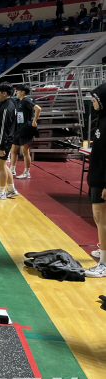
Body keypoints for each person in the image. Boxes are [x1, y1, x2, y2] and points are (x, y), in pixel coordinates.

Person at [85, 84, 106, 277]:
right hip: (97, 176)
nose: (92, 103)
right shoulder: (101, 119)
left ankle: (104, 264)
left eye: (94, 100)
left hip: (103, 179)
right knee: (99, 219)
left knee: (102, 220)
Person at [0, 84, 19, 200]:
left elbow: (4, 129)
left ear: (4, 93)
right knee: (4, 166)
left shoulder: (7, 108)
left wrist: (1, 146)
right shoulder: (10, 103)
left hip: (2, 141)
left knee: (0, 167)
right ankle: (11, 190)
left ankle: (1, 192)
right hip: (4, 140)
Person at [11, 84, 41, 179]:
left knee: (25, 151)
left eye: (18, 91)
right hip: (18, 129)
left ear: (23, 92)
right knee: (13, 150)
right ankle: (12, 169)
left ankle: (27, 172)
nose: (16, 93)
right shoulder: (19, 101)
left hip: (25, 129)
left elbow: (38, 109)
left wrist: (34, 121)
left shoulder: (27, 100)